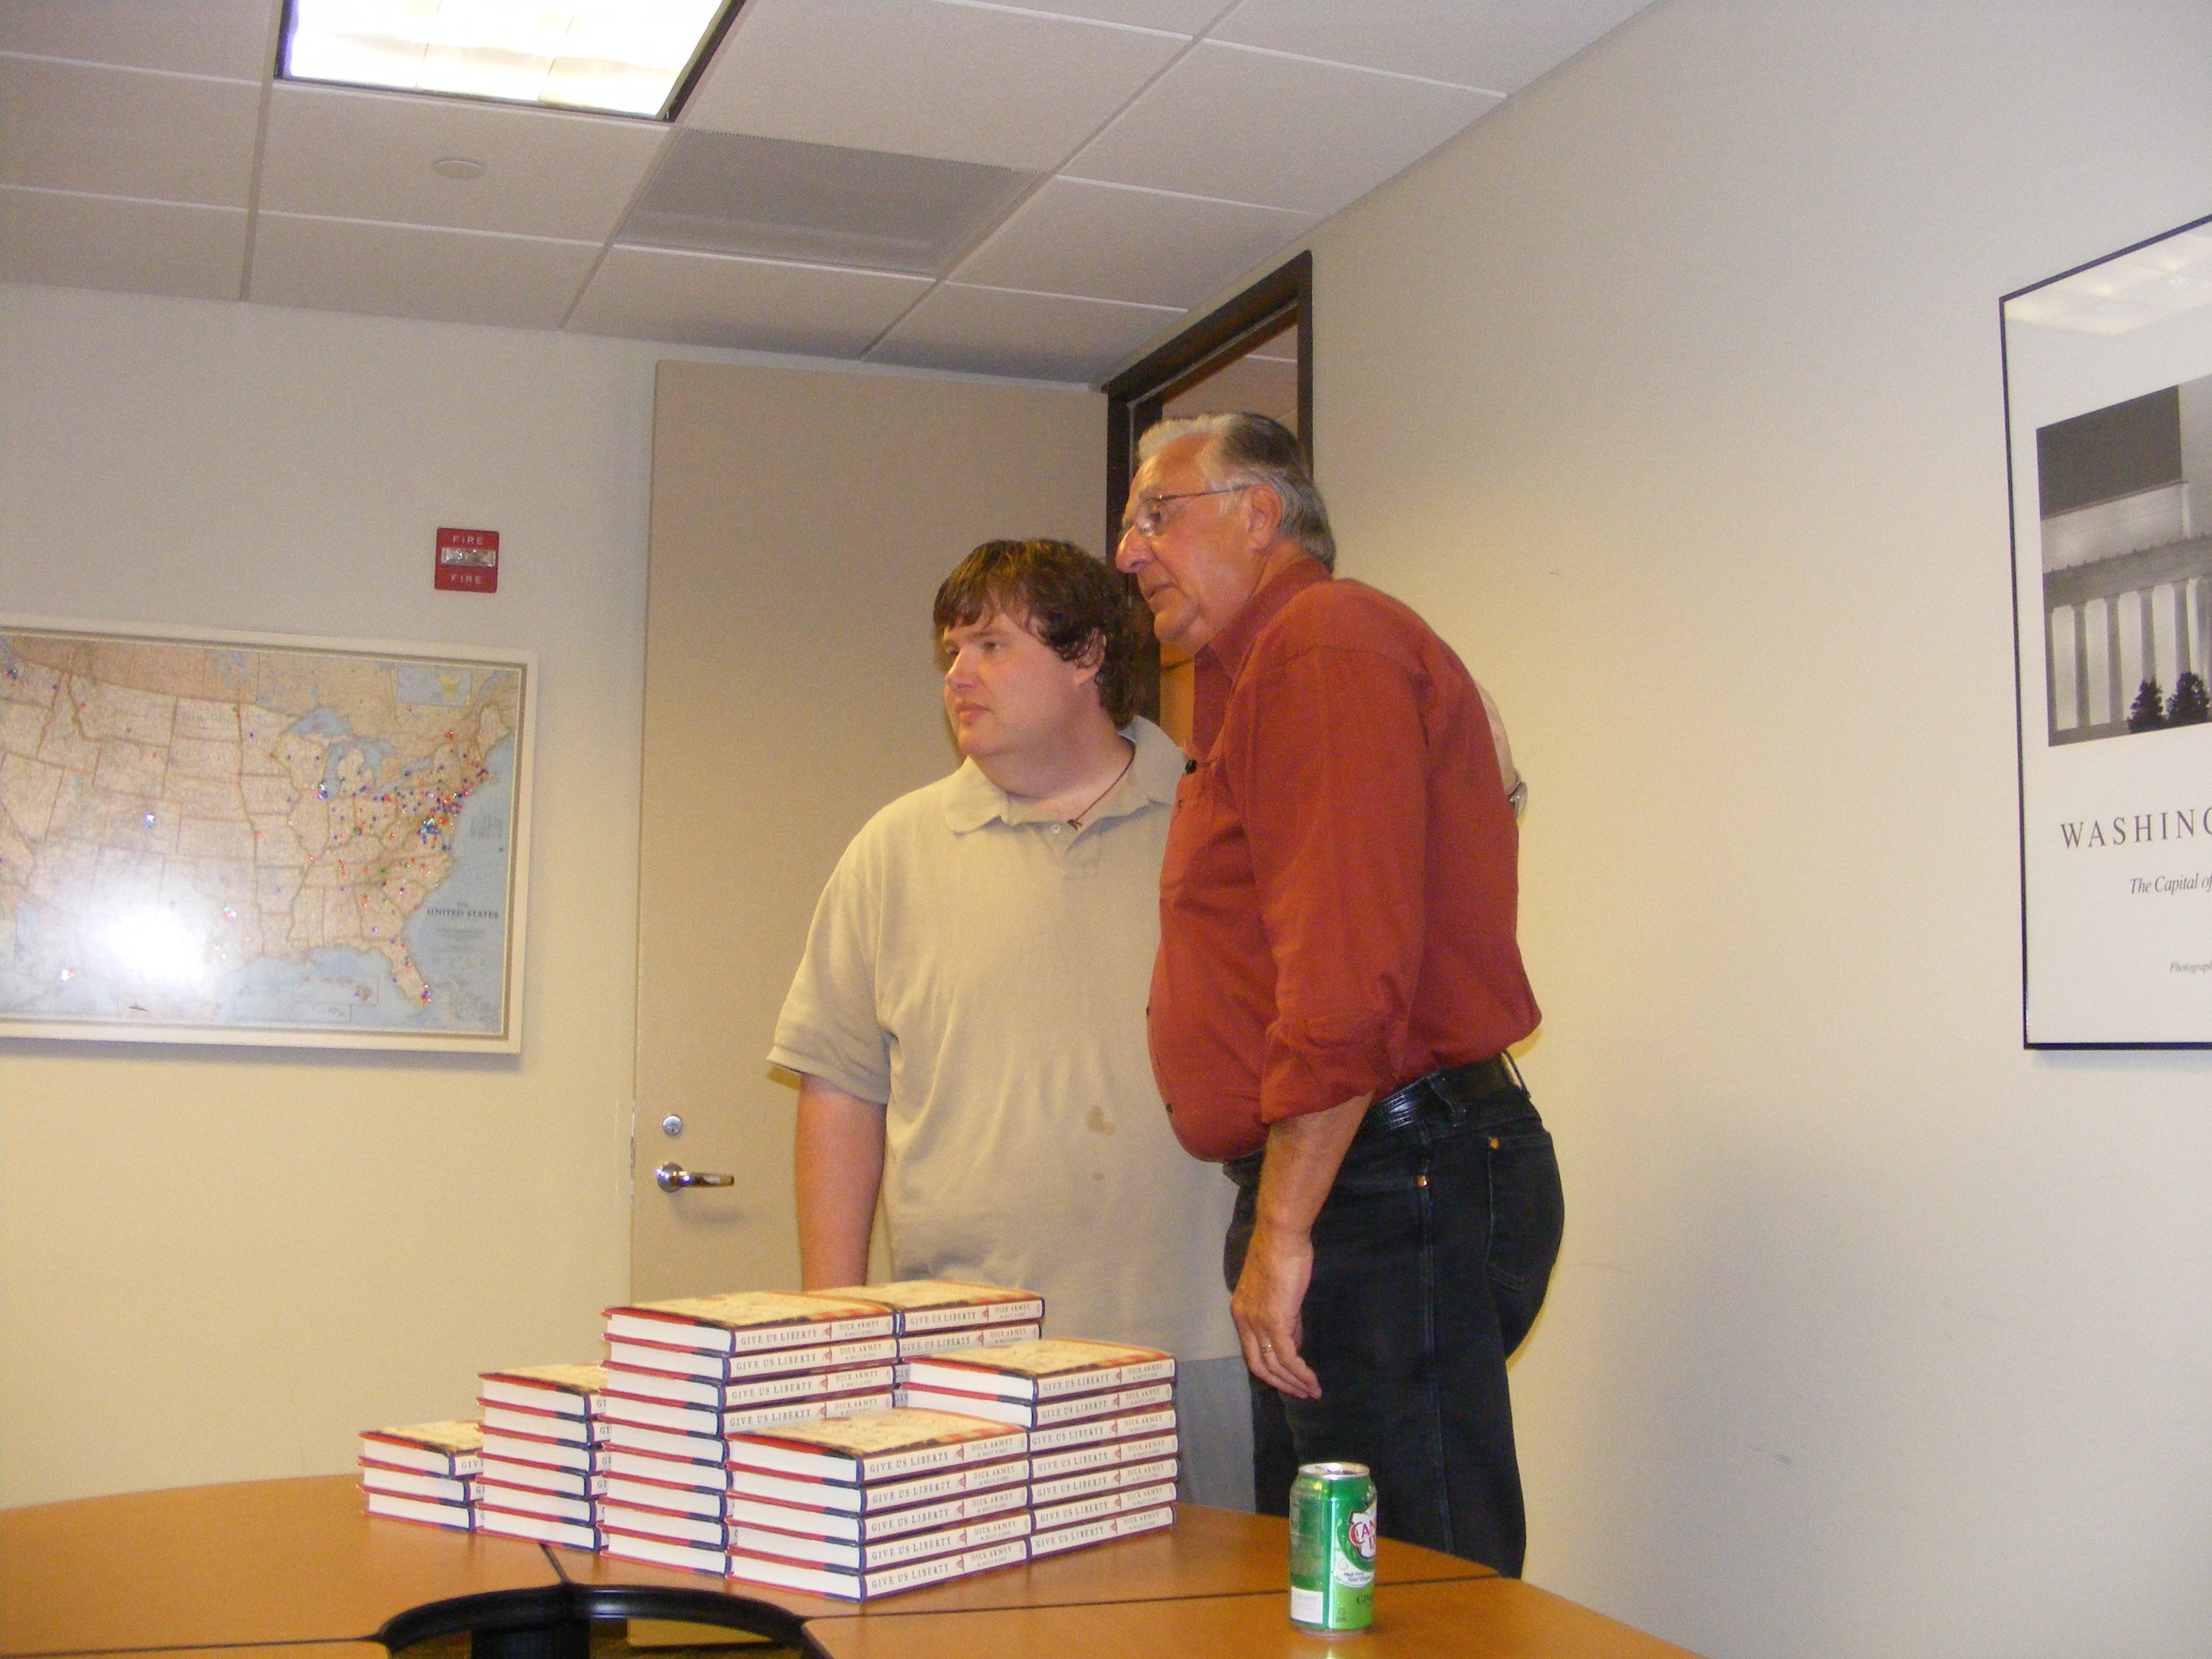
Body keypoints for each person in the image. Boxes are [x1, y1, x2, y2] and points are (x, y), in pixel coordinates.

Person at [1114, 413, 1563, 1572]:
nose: (1128, 551)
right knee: (1334, 1579)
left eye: (1158, 514)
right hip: (1362, 1174)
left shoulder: (1322, 643)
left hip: (1382, 1178)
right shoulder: (1270, 672)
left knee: (1409, 1583)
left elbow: (1344, 977)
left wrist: (1286, 1227)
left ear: (1259, 513)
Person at [768, 537, 1251, 1509]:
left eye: (990, 646)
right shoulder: (894, 851)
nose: (958, 675)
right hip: (963, 1357)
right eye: (952, 649)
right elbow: (839, 1093)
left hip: (1196, 1343)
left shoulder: (1220, 823)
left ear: (1088, 657)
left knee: (1208, 1597)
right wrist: (836, 1327)